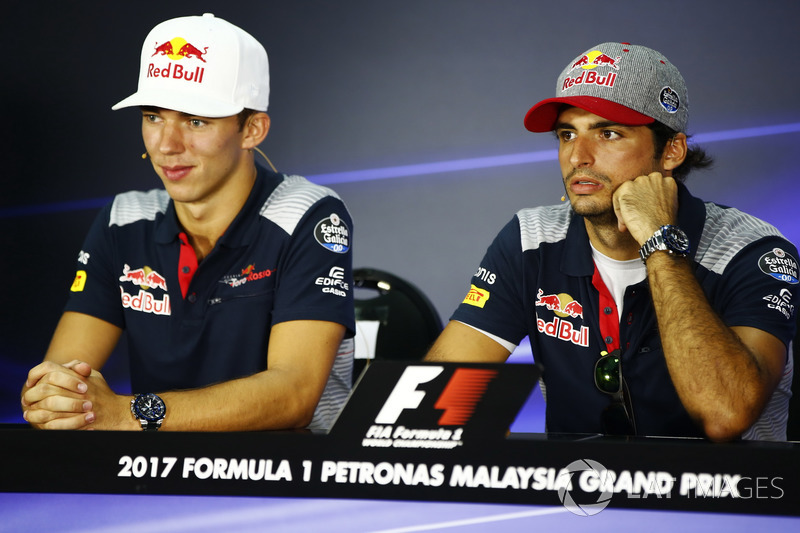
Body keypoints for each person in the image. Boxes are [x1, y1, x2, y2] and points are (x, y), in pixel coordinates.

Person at [425, 42, 798, 442]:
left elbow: (725, 414)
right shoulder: (530, 238)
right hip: (578, 497)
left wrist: (659, 242)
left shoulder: (752, 250)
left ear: (671, 150)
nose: (578, 156)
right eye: (567, 134)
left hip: (720, 500)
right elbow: (436, 405)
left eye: (608, 133)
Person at [20, 13, 355, 432]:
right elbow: (59, 375)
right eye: (153, 116)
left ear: (253, 129)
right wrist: (53, 397)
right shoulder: (124, 219)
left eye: (196, 120)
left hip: (290, 486)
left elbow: (294, 396)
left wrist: (128, 413)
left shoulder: (307, 213)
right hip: (160, 485)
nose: (167, 145)